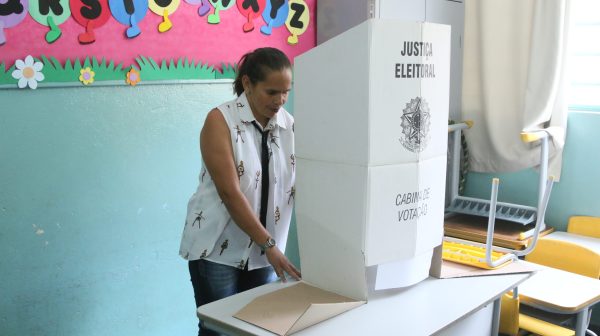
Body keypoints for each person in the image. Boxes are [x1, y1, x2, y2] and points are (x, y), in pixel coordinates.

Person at [179, 47, 301, 336]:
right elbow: (230, 192)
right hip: (217, 251)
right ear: (247, 83)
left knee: (256, 328)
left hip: (264, 253)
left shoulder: (289, 125)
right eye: (272, 92)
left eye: (286, 92)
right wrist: (269, 245)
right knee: (218, 329)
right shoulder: (219, 121)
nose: (280, 100)